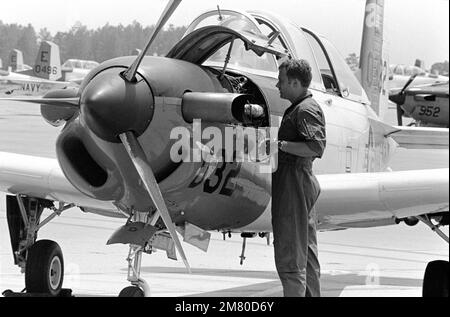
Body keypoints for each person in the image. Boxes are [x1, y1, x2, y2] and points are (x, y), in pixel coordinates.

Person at [271, 58, 326, 297]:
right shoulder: (300, 107)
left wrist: (279, 145)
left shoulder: (305, 109)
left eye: (281, 81)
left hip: (294, 183)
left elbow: (316, 146)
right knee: (306, 252)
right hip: (297, 181)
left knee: (291, 254)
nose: (277, 85)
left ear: (294, 82)